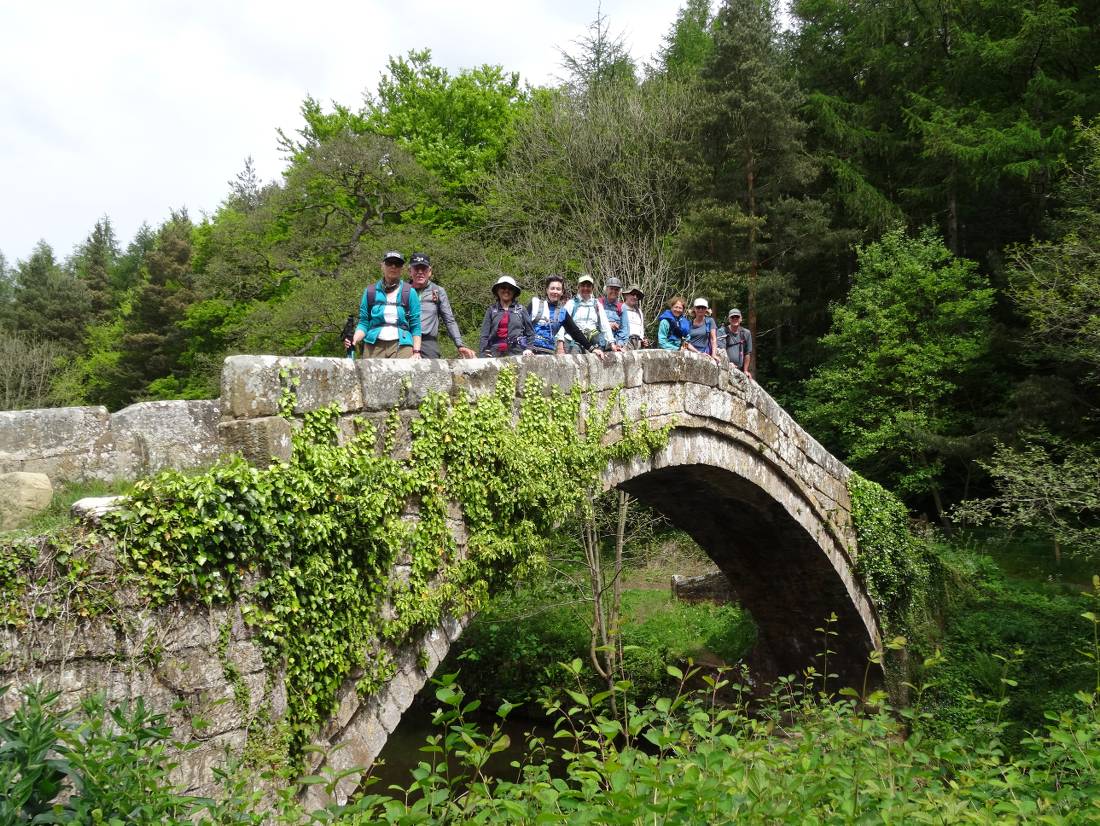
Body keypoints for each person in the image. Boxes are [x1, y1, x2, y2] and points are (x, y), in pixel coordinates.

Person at [347, 250, 423, 359]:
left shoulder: (410, 292)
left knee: (403, 376)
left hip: (402, 345)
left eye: (397, 264)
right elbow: (364, 322)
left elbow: (416, 325)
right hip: (373, 344)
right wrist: (354, 339)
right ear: (382, 266)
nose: (393, 266)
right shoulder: (370, 291)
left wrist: (416, 351)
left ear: (402, 268)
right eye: (389, 263)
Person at [406, 252, 475, 359]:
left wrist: (460, 344)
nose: (420, 272)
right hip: (406, 339)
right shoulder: (402, 291)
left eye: (423, 269)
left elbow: (449, 320)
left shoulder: (438, 291)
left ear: (429, 272)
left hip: (428, 341)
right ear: (410, 271)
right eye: (416, 269)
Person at [527, 275, 600, 355]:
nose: (555, 292)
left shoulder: (562, 313)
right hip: (529, 350)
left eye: (558, 289)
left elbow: (575, 332)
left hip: (548, 352)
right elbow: (522, 326)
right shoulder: (535, 304)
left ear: (562, 292)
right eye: (552, 288)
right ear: (547, 290)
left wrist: (592, 349)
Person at [479, 275, 535, 357]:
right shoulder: (491, 311)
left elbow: (530, 333)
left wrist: (529, 348)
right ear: (497, 290)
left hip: (517, 353)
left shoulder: (521, 310)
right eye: (503, 287)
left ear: (514, 292)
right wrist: (483, 353)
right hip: (494, 353)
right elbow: (484, 335)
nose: (506, 290)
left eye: (510, 288)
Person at [563, 274, 618, 354]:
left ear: (592, 288)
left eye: (588, 286)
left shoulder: (597, 304)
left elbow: (604, 324)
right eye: (583, 286)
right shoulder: (571, 304)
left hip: (592, 344)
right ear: (578, 287)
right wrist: (560, 343)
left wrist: (612, 343)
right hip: (572, 342)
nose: (585, 288)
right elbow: (562, 323)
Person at [718, 307, 753, 378]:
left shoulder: (746, 333)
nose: (735, 318)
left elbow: (747, 353)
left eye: (737, 316)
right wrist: (727, 363)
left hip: (740, 370)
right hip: (724, 368)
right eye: (732, 317)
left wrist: (745, 370)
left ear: (741, 319)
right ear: (729, 319)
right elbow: (721, 350)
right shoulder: (721, 332)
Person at [599, 277, 630, 349]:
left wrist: (620, 343)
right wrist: (607, 325)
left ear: (620, 291)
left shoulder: (622, 307)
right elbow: (592, 324)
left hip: (614, 345)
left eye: (616, 289)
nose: (614, 291)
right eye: (611, 288)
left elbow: (624, 328)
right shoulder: (598, 303)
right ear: (606, 289)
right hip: (598, 344)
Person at [685, 298, 719, 363]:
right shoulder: (688, 324)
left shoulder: (709, 321)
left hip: (704, 353)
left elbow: (713, 339)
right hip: (690, 352)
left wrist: (714, 354)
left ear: (706, 309)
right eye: (698, 307)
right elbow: (686, 342)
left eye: (703, 307)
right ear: (694, 309)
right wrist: (698, 352)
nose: (700, 309)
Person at [622, 285, 649, 349]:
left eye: (637, 295)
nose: (635, 297)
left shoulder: (639, 312)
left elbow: (641, 329)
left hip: (638, 344)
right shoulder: (620, 308)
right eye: (633, 294)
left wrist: (643, 341)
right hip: (624, 344)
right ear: (626, 295)